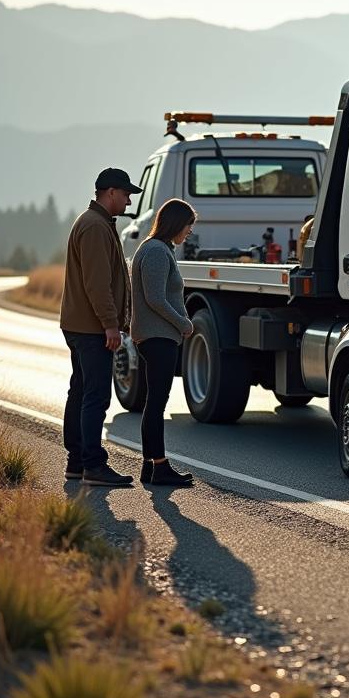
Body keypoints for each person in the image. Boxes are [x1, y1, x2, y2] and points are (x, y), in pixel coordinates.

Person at [60, 168, 141, 486]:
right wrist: (110, 325)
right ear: (110, 192)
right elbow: (97, 284)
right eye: (126, 194)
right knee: (94, 396)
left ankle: (77, 462)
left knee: (80, 392)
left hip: (81, 324)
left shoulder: (95, 223)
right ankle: (93, 465)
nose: (129, 199)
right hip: (91, 328)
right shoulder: (95, 227)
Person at [130, 198, 197, 486]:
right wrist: (183, 323)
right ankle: (160, 466)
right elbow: (155, 298)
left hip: (156, 336)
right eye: (188, 226)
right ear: (175, 224)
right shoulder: (157, 251)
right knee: (157, 402)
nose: (189, 233)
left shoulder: (156, 248)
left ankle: (150, 465)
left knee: (153, 402)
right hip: (158, 336)